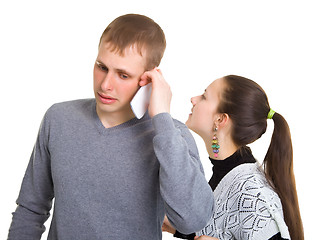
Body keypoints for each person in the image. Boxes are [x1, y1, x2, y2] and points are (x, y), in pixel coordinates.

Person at [7, 14, 214, 240]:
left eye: (123, 75)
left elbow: (193, 219)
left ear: (149, 78)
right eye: (101, 67)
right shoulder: (58, 119)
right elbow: (30, 210)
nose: (105, 85)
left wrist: (162, 118)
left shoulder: (170, 135)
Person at [162, 75, 304, 239]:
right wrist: (181, 230)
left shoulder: (252, 193)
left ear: (220, 119)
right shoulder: (225, 172)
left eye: (204, 96)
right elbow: (223, 227)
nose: (193, 99)